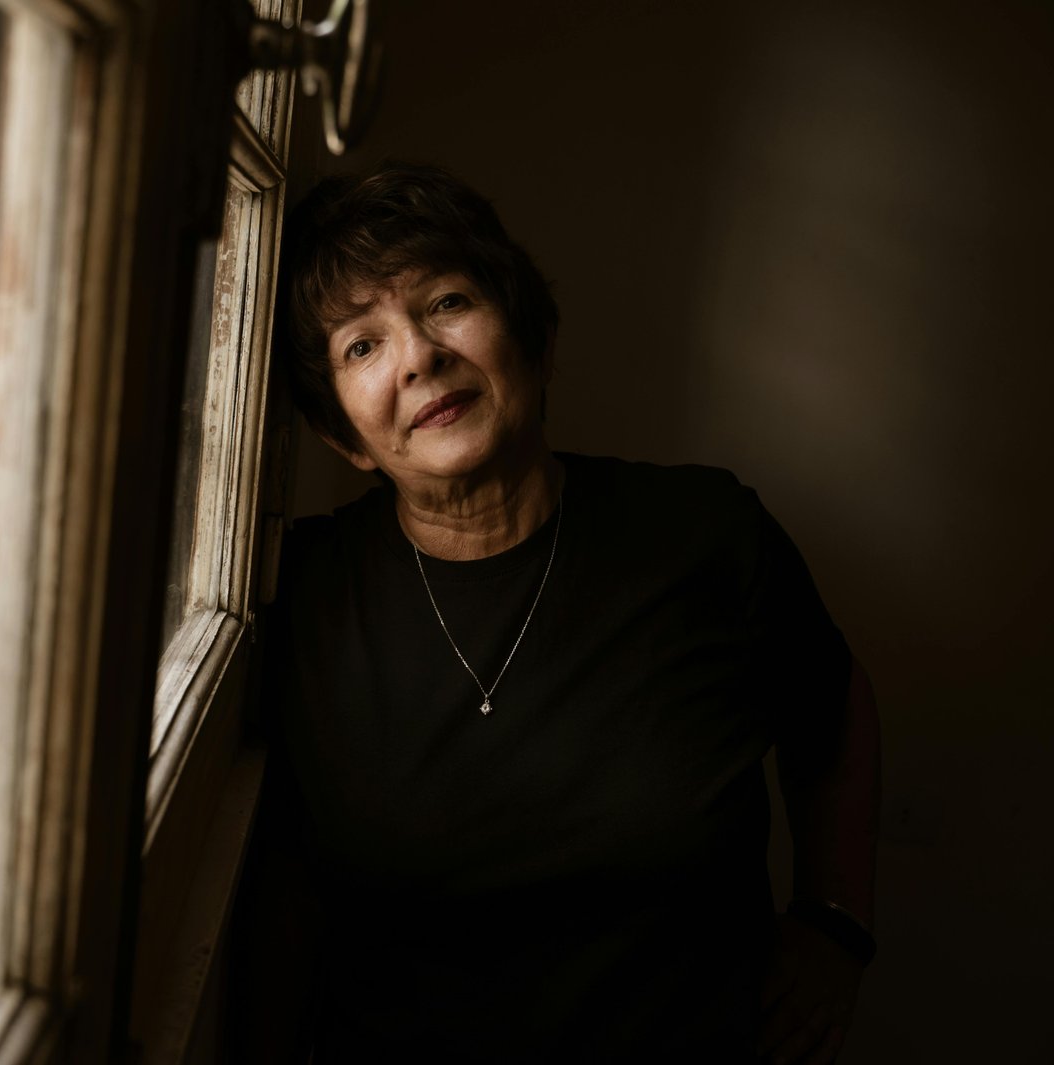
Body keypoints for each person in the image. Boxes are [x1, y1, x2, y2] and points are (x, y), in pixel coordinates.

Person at [236, 163, 881, 1063]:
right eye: (361, 346)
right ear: (345, 436)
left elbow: (832, 701)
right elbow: (281, 902)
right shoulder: (298, 594)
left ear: (529, 336)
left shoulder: (706, 535)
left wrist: (833, 920)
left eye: (447, 300)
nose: (419, 355)